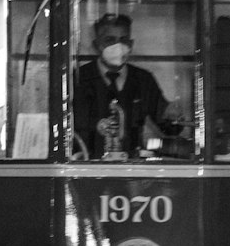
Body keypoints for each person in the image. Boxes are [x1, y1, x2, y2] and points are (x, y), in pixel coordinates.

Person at [73, 13, 182, 160]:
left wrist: (175, 118)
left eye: (123, 40)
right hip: (86, 165)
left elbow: (167, 126)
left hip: (131, 166)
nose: (117, 46)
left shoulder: (143, 80)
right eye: (109, 40)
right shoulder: (79, 78)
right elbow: (68, 126)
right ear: (96, 45)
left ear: (131, 45)